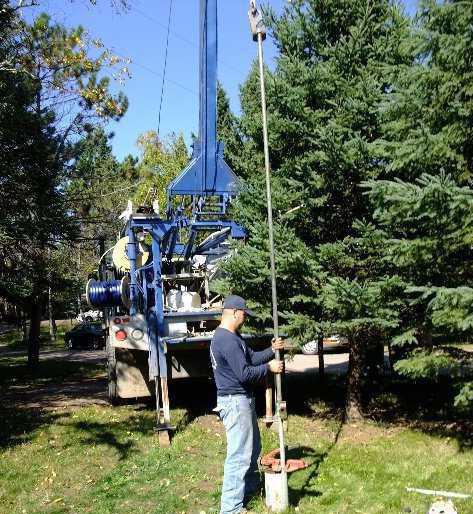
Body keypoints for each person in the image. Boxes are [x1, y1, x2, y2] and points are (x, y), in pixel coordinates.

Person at [210, 294, 284, 514]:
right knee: (239, 456)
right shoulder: (225, 340)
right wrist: (269, 368)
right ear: (234, 312)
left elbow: (250, 358)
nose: (245, 318)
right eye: (244, 314)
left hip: (242, 400)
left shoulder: (233, 337)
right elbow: (244, 374)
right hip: (234, 402)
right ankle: (231, 509)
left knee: (253, 450)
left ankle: (250, 489)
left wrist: (271, 350)